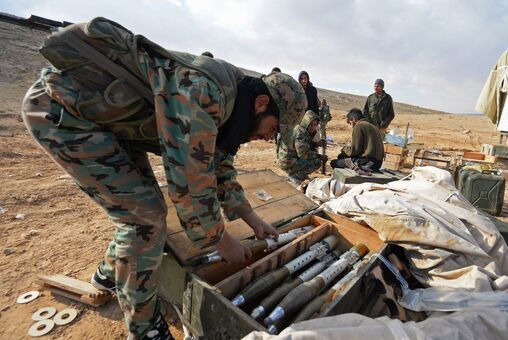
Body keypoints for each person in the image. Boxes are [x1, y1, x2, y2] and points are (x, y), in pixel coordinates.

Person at [21, 17, 307, 340]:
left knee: (145, 210)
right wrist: (220, 241)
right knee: (145, 217)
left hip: (107, 125)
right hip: (64, 113)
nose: (270, 138)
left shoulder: (235, 102)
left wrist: (250, 217)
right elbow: (190, 185)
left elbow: (217, 162)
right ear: (262, 104)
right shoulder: (205, 91)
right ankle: (144, 330)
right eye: (273, 129)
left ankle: (107, 276)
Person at [279, 110, 327, 185]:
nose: (313, 127)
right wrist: (320, 156)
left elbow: (304, 145)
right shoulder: (300, 133)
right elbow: (303, 154)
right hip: (288, 162)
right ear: (306, 123)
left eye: (315, 125)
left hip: (288, 159)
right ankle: (295, 176)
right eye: (311, 124)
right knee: (316, 162)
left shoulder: (301, 130)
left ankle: (299, 174)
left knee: (314, 156)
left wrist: (316, 144)